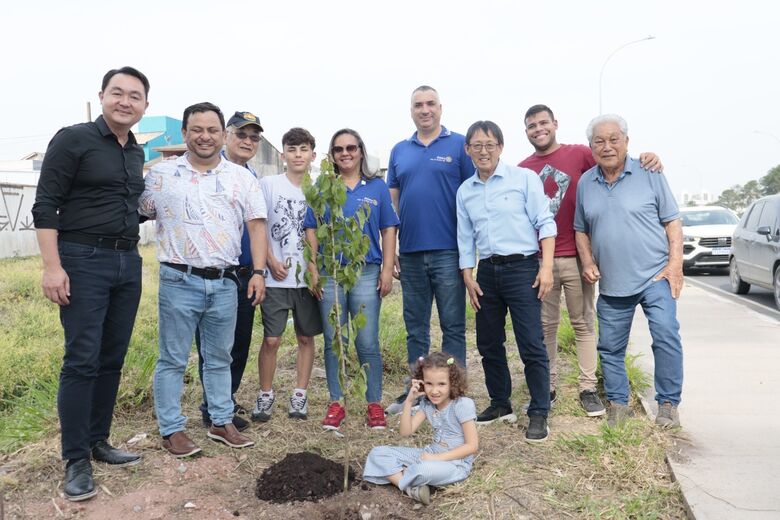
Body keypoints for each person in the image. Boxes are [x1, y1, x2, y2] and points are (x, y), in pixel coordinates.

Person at [32, 66, 149, 501]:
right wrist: (52, 266)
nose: (125, 101)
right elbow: (46, 205)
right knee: (81, 358)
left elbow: (129, 206)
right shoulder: (73, 138)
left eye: (134, 96)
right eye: (117, 93)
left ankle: (99, 440)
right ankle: (75, 458)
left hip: (127, 262)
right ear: (102, 96)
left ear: (145, 106)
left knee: (112, 356)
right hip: (82, 259)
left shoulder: (135, 152)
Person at [139, 102, 268, 456]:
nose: (205, 136)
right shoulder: (161, 176)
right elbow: (138, 212)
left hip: (227, 282)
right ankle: (171, 429)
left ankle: (220, 421)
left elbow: (257, 225)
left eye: (212, 130)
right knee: (173, 359)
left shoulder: (242, 178)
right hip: (179, 280)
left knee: (219, 358)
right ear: (184, 133)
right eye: (197, 129)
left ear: (222, 135)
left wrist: (258, 272)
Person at [519, 104, 663, 417]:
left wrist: (648, 158)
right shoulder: (522, 168)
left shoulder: (581, 154)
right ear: (526, 131)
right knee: (545, 328)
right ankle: (548, 385)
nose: (539, 129)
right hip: (540, 260)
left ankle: (587, 387)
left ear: (555, 124)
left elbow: (613, 161)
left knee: (583, 323)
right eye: (532, 125)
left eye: (544, 122)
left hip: (575, 256)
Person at [574, 114, 683, 429]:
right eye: (599, 141)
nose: (607, 146)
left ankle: (668, 405)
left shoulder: (649, 171)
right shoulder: (586, 183)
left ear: (626, 141)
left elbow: (672, 220)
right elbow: (581, 229)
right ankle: (619, 404)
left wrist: (675, 264)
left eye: (613, 139)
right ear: (591, 146)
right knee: (609, 347)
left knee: (665, 334)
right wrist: (589, 262)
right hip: (612, 283)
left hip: (654, 276)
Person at [456, 120, 555, 443]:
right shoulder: (465, 191)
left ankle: (539, 411)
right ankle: (500, 402)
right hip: (487, 272)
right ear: (468, 149)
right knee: (488, 342)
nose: (483, 151)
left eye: (490, 144)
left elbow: (545, 223)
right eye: (476, 145)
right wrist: (468, 275)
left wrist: (546, 268)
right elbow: (465, 236)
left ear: (500, 147)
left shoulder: (523, 179)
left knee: (530, 343)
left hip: (523, 270)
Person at [385, 85, 474, 415]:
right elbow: (391, 204)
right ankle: (418, 392)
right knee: (416, 327)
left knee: (452, 326)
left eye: (431, 104)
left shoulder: (458, 145)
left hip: (448, 252)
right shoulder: (399, 150)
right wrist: (390, 250)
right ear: (411, 111)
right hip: (409, 253)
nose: (425, 110)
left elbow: (470, 195)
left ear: (441, 108)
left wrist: (469, 252)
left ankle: (456, 394)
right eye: (418, 105)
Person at [304, 128, 399, 430]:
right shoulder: (323, 187)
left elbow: (388, 229)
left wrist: (386, 269)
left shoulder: (377, 188)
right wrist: (313, 268)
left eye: (351, 148)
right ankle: (337, 402)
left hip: (366, 272)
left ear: (360, 150)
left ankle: (373, 403)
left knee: (366, 340)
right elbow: (310, 228)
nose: (345, 153)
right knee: (334, 340)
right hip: (331, 272)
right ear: (331, 155)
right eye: (338, 149)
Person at [194, 110, 265, 431]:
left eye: (254, 137)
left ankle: (225, 399)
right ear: (226, 136)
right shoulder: (208, 172)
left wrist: (260, 271)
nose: (248, 141)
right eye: (241, 134)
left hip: (246, 274)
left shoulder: (253, 179)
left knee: (239, 343)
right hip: (213, 273)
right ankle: (213, 408)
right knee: (213, 346)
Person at [252, 128, 323, 422]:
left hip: (306, 279)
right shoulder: (269, 184)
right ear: (283, 155)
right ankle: (265, 394)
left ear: (312, 155)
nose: (298, 155)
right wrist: (269, 259)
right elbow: (258, 223)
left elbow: (318, 232)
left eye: (303, 149)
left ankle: (300, 394)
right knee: (272, 339)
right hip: (275, 277)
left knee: (306, 337)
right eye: (292, 149)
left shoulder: (318, 190)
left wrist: (314, 266)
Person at [363, 352, 479, 505]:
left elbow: (472, 446)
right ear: (422, 382)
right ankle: (411, 489)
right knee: (377, 453)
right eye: (429, 383)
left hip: (455, 464)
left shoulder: (462, 404)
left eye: (441, 384)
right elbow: (405, 432)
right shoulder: (427, 404)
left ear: (452, 382)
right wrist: (410, 401)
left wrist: (436, 459)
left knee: (422, 470)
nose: (434, 391)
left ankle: (401, 477)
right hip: (429, 455)